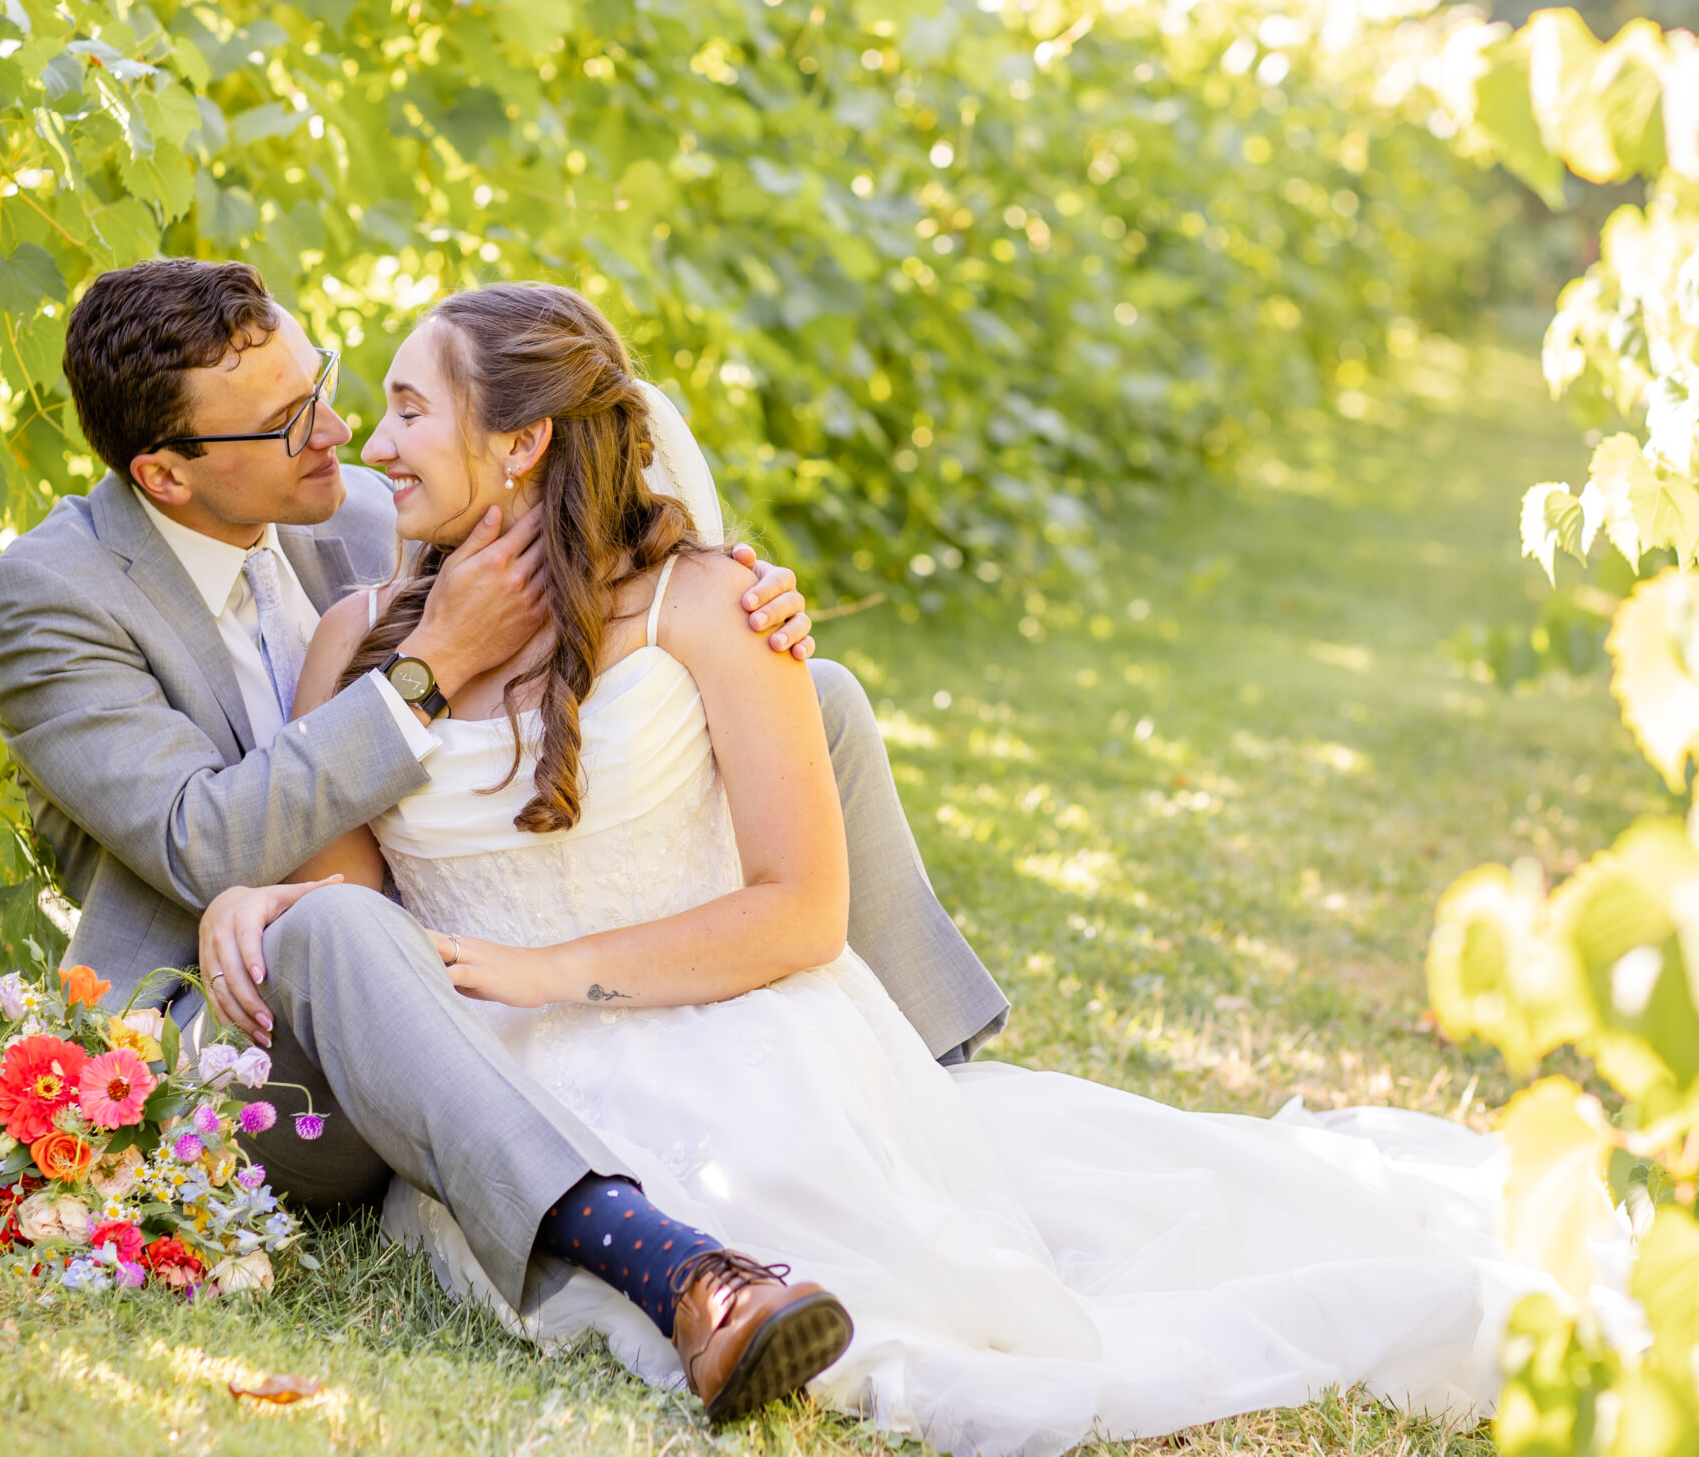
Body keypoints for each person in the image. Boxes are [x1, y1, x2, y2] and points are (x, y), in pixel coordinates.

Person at [237, 282, 1619, 1457]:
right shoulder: (354, 643)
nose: (377, 443)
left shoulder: (707, 605)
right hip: (485, 1081)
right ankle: (677, 1268)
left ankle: (730, 1281)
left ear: (523, 440)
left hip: (724, 1037)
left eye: (409, 409)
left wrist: (545, 973)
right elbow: (355, 929)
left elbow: (800, 911)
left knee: (933, 1284)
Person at [0, 258, 1009, 1421]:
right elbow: (199, 840)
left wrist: (746, 606)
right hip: (246, 1027)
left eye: (324, 388)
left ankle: (931, 1079)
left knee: (818, 696)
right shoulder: (49, 597)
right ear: (167, 473)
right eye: (291, 422)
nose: (345, 436)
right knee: (337, 925)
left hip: (401, 950)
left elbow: (592, 570)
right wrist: (427, 672)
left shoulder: (362, 504)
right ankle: (669, 1267)